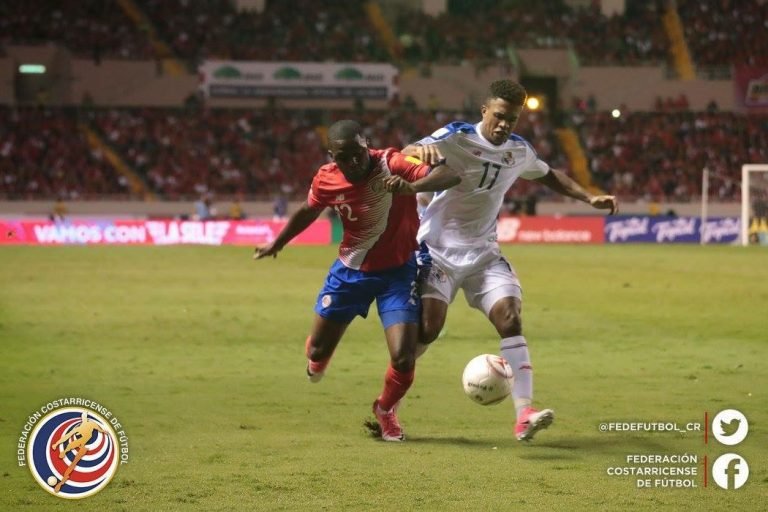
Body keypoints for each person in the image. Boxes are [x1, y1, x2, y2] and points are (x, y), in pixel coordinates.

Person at [402, 79, 618, 442]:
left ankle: (524, 416)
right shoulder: (456, 136)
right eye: (499, 116)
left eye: (512, 120)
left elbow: (550, 175)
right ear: (484, 111)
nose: (504, 125)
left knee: (511, 317)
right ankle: (389, 403)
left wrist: (587, 198)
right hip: (437, 250)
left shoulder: (519, 151)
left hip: (484, 254)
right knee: (427, 330)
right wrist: (417, 154)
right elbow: (409, 150)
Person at [254, 120, 460, 441]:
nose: (353, 162)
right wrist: (278, 242)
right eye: (343, 157)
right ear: (332, 156)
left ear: (367, 146)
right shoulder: (327, 178)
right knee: (318, 352)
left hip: (397, 272)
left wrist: (412, 186)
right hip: (351, 273)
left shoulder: (392, 163)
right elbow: (308, 211)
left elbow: (450, 175)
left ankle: (385, 410)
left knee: (404, 355)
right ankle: (319, 354)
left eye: (357, 154)